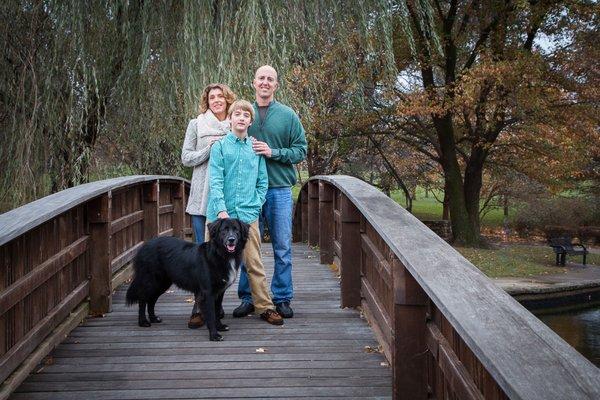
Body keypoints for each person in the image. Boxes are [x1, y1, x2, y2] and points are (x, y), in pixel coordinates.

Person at [233, 65, 307, 319]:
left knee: (282, 247)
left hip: (279, 190)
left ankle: (282, 297)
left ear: (276, 85)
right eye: (261, 78)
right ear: (254, 83)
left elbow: (301, 150)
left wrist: (273, 152)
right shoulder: (244, 114)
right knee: (246, 245)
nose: (265, 83)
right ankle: (248, 297)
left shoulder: (287, 116)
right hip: (249, 193)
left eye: (270, 79)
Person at [207, 99, 283, 326]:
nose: (241, 118)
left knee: (254, 263)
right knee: (208, 266)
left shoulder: (255, 149)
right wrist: (221, 210)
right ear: (230, 119)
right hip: (219, 218)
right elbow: (216, 181)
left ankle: (265, 307)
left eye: (246, 115)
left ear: (250, 121)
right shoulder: (219, 147)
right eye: (237, 114)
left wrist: (256, 205)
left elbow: (262, 183)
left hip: (246, 218)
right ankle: (202, 308)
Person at [181, 83, 236, 329]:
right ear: (207, 100)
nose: (216, 100)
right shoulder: (197, 124)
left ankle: (217, 304)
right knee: (202, 256)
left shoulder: (236, 123)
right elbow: (186, 157)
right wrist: (208, 149)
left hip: (226, 198)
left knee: (224, 256)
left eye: (220, 96)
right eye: (212, 97)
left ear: (227, 99)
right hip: (202, 198)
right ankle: (198, 307)